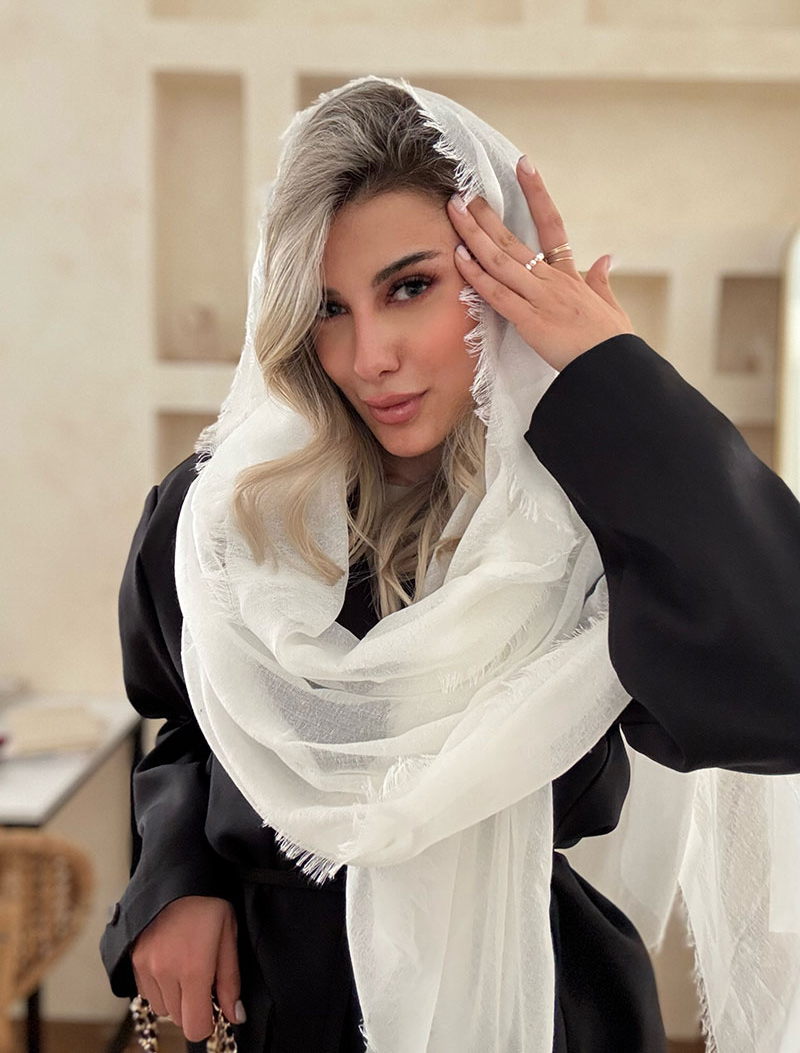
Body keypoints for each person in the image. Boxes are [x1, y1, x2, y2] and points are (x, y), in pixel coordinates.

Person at [101, 77, 800, 1053]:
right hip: (284, 1007)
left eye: (409, 287)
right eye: (328, 306)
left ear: (501, 275)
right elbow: (190, 717)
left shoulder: (584, 526)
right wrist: (179, 876)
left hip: (538, 1003)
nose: (368, 356)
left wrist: (612, 370)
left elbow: (780, 689)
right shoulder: (223, 513)